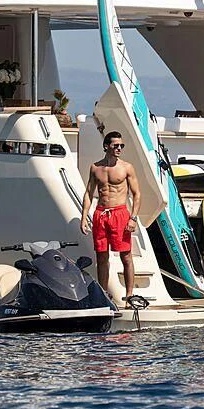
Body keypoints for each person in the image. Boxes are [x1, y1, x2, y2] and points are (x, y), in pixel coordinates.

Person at [80, 131, 141, 306]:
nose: (119, 148)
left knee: (126, 256)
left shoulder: (126, 167)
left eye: (121, 145)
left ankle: (129, 295)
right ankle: (104, 294)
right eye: (116, 145)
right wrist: (84, 217)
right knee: (101, 256)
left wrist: (133, 218)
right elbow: (89, 193)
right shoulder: (95, 167)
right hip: (101, 214)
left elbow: (137, 194)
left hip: (120, 214)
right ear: (106, 146)